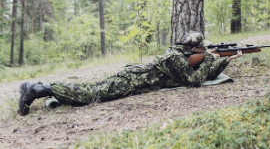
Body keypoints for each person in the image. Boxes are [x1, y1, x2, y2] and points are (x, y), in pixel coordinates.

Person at [18, 31, 244, 116]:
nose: (205, 51)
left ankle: (41, 86)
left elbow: (203, 75)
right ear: (193, 49)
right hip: (132, 81)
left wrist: (226, 60)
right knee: (92, 96)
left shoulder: (180, 53)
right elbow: (194, 81)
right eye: (203, 48)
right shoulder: (176, 58)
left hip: (132, 77)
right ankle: (38, 89)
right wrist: (211, 58)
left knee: (91, 88)